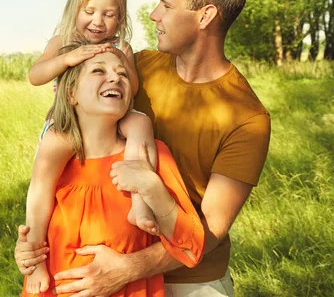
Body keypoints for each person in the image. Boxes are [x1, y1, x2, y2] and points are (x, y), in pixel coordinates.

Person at [15, 0, 271, 296]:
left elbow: (210, 230)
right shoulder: (135, 67)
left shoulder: (246, 118)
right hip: (99, 261)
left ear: (205, 16)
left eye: (166, 5)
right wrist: (35, 247)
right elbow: (74, 160)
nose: (153, 14)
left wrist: (128, 268)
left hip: (189, 278)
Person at [21, 44, 204, 297]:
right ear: (71, 92)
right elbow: (36, 210)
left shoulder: (150, 154)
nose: (115, 77)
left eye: (123, 74)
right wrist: (30, 257)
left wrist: (149, 186)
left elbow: (190, 246)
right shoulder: (57, 159)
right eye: (98, 70)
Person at [25, 0, 160, 293]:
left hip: (112, 119)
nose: (98, 21)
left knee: (141, 123)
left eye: (109, 14)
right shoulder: (63, 41)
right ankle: (35, 261)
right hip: (68, 122)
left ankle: (139, 200)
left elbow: (133, 87)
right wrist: (69, 58)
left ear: (121, 17)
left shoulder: (121, 47)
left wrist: (119, 63)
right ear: (75, 9)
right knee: (44, 187)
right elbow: (36, 75)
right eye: (90, 11)